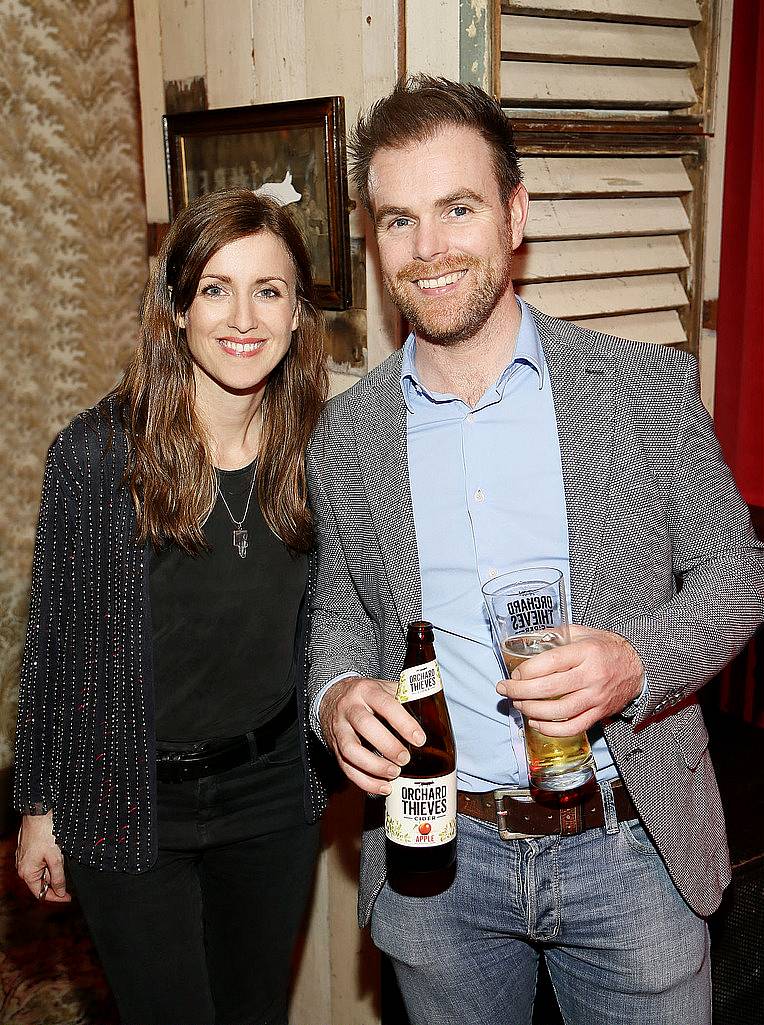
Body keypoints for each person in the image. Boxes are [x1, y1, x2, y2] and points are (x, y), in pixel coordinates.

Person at [306, 77, 764, 1025]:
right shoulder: (345, 437)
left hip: (630, 848)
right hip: (441, 859)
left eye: (457, 208)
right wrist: (337, 692)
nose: (428, 249)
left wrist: (638, 661)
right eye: (399, 220)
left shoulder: (641, 388)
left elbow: (737, 571)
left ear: (515, 215)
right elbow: (341, 605)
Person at [14, 188, 330, 1025]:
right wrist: (39, 807)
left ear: (299, 312)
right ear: (178, 307)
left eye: (270, 290)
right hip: (127, 795)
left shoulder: (322, 454)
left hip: (269, 795)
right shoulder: (95, 457)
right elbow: (54, 643)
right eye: (216, 287)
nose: (244, 316)